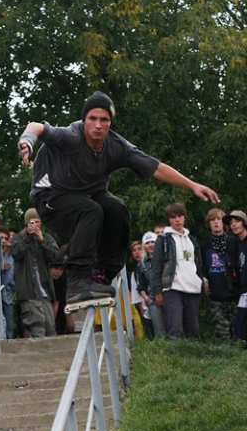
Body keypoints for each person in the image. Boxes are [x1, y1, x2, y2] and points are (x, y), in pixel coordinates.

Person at [18, 90, 220, 305]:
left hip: (87, 195)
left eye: (104, 120)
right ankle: (77, 280)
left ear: (110, 122)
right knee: (91, 210)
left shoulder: (117, 146)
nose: (97, 125)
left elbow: (156, 167)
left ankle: (102, 273)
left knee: (117, 209)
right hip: (51, 196)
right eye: (92, 119)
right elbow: (36, 126)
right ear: (84, 120)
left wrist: (192, 185)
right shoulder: (70, 136)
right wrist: (27, 141)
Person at [151, 202, 203, 341]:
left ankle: (193, 354)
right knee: (175, 329)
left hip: (192, 288)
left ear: (184, 217)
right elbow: (156, 267)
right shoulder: (163, 240)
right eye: (173, 217)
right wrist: (158, 291)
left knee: (193, 330)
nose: (177, 219)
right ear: (169, 219)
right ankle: (174, 355)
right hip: (172, 288)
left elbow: (198, 265)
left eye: (180, 216)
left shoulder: (192, 240)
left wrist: (200, 286)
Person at [10, 208, 60, 338]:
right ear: (27, 223)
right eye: (32, 222)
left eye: (38, 222)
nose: (35, 225)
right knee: (37, 330)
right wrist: (27, 238)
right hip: (28, 293)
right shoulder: (18, 238)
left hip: (45, 292)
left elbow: (55, 257)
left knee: (50, 328)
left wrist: (42, 241)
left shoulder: (47, 238)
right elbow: (15, 253)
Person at [200, 208, 239, 343]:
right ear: (208, 223)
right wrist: (204, 279)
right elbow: (200, 267)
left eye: (219, 219)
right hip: (215, 296)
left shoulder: (234, 242)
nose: (216, 222)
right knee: (220, 336)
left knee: (238, 335)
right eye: (212, 220)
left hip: (235, 295)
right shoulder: (204, 246)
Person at [223, 210, 247, 342]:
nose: (234, 224)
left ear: (244, 223)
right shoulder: (239, 244)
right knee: (240, 332)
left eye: (237, 221)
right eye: (231, 222)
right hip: (243, 293)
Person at [137, 231, 165, 339]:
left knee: (174, 330)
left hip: (170, 297)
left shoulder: (165, 259)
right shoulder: (141, 264)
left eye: (153, 242)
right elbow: (141, 286)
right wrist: (147, 299)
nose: (150, 245)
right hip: (153, 300)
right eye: (147, 243)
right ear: (144, 246)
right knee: (160, 334)